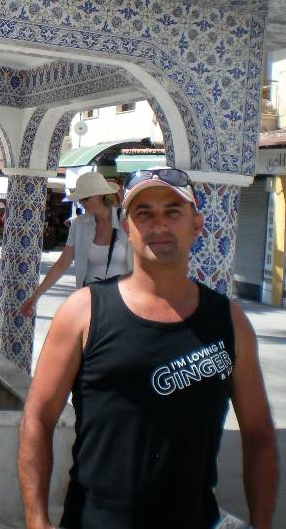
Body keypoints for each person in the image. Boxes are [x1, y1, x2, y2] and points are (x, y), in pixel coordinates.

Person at [18, 167, 279, 529]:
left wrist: (262, 522)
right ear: (128, 227)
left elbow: (259, 433)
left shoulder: (230, 322)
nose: (159, 224)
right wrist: (37, 520)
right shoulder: (83, 313)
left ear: (197, 225)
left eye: (173, 211)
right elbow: (38, 417)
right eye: (144, 213)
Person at [20, 172, 130, 318]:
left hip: (124, 301)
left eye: (86, 198)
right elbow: (62, 264)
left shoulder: (127, 221)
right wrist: (36, 296)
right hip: (91, 301)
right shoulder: (79, 225)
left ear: (100, 195)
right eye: (80, 199)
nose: (82, 203)